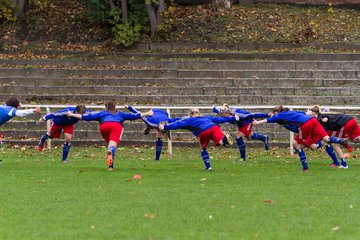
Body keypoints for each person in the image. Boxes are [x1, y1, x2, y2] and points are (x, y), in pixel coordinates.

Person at [252, 106, 352, 172]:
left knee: (295, 143)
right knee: (326, 139)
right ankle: (340, 141)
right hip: (313, 121)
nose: (271, 115)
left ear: (276, 112)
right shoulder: (292, 112)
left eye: (272, 113)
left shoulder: (279, 115)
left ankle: (305, 168)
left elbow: (269, 119)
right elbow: (306, 113)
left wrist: (258, 122)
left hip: (305, 126)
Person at [67, 101, 153, 171]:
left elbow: (86, 117)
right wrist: (147, 113)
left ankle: (110, 167)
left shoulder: (102, 113)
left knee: (110, 145)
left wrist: (72, 114)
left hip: (104, 127)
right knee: (112, 147)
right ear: (114, 107)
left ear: (106, 107)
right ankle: (111, 158)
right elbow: (134, 116)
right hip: (116, 126)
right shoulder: (120, 113)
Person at [159, 108, 252, 171]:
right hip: (214, 127)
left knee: (203, 148)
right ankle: (225, 139)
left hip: (203, 131)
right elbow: (219, 119)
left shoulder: (189, 120)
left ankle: (208, 167)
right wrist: (233, 118)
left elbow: (177, 124)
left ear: (190, 114)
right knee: (221, 143)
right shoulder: (206, 117)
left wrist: (164, 127)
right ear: (198, 113)